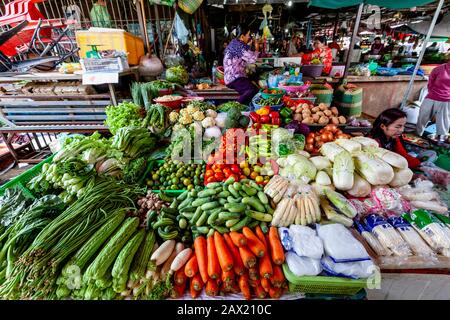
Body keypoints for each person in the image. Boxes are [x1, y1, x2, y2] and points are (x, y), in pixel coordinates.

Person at [223, 24, 259, 105]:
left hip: (231, 76)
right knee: (252, 90)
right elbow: (253, 60)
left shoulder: (235, 43)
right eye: (248, 35)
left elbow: (245, 54)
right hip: (234, 78)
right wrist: (257, 46)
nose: (249, 37)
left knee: (254, 82)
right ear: (242, 36)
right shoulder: (239, 46)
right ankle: (236, 104)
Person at [416, 61, 450, 142]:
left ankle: (441, 141)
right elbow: (430, 81)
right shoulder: (439, 69)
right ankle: (417, 136)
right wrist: (432, 92)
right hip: (432, 96)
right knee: (422, 116)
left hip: (446, 100)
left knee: (443, 121)